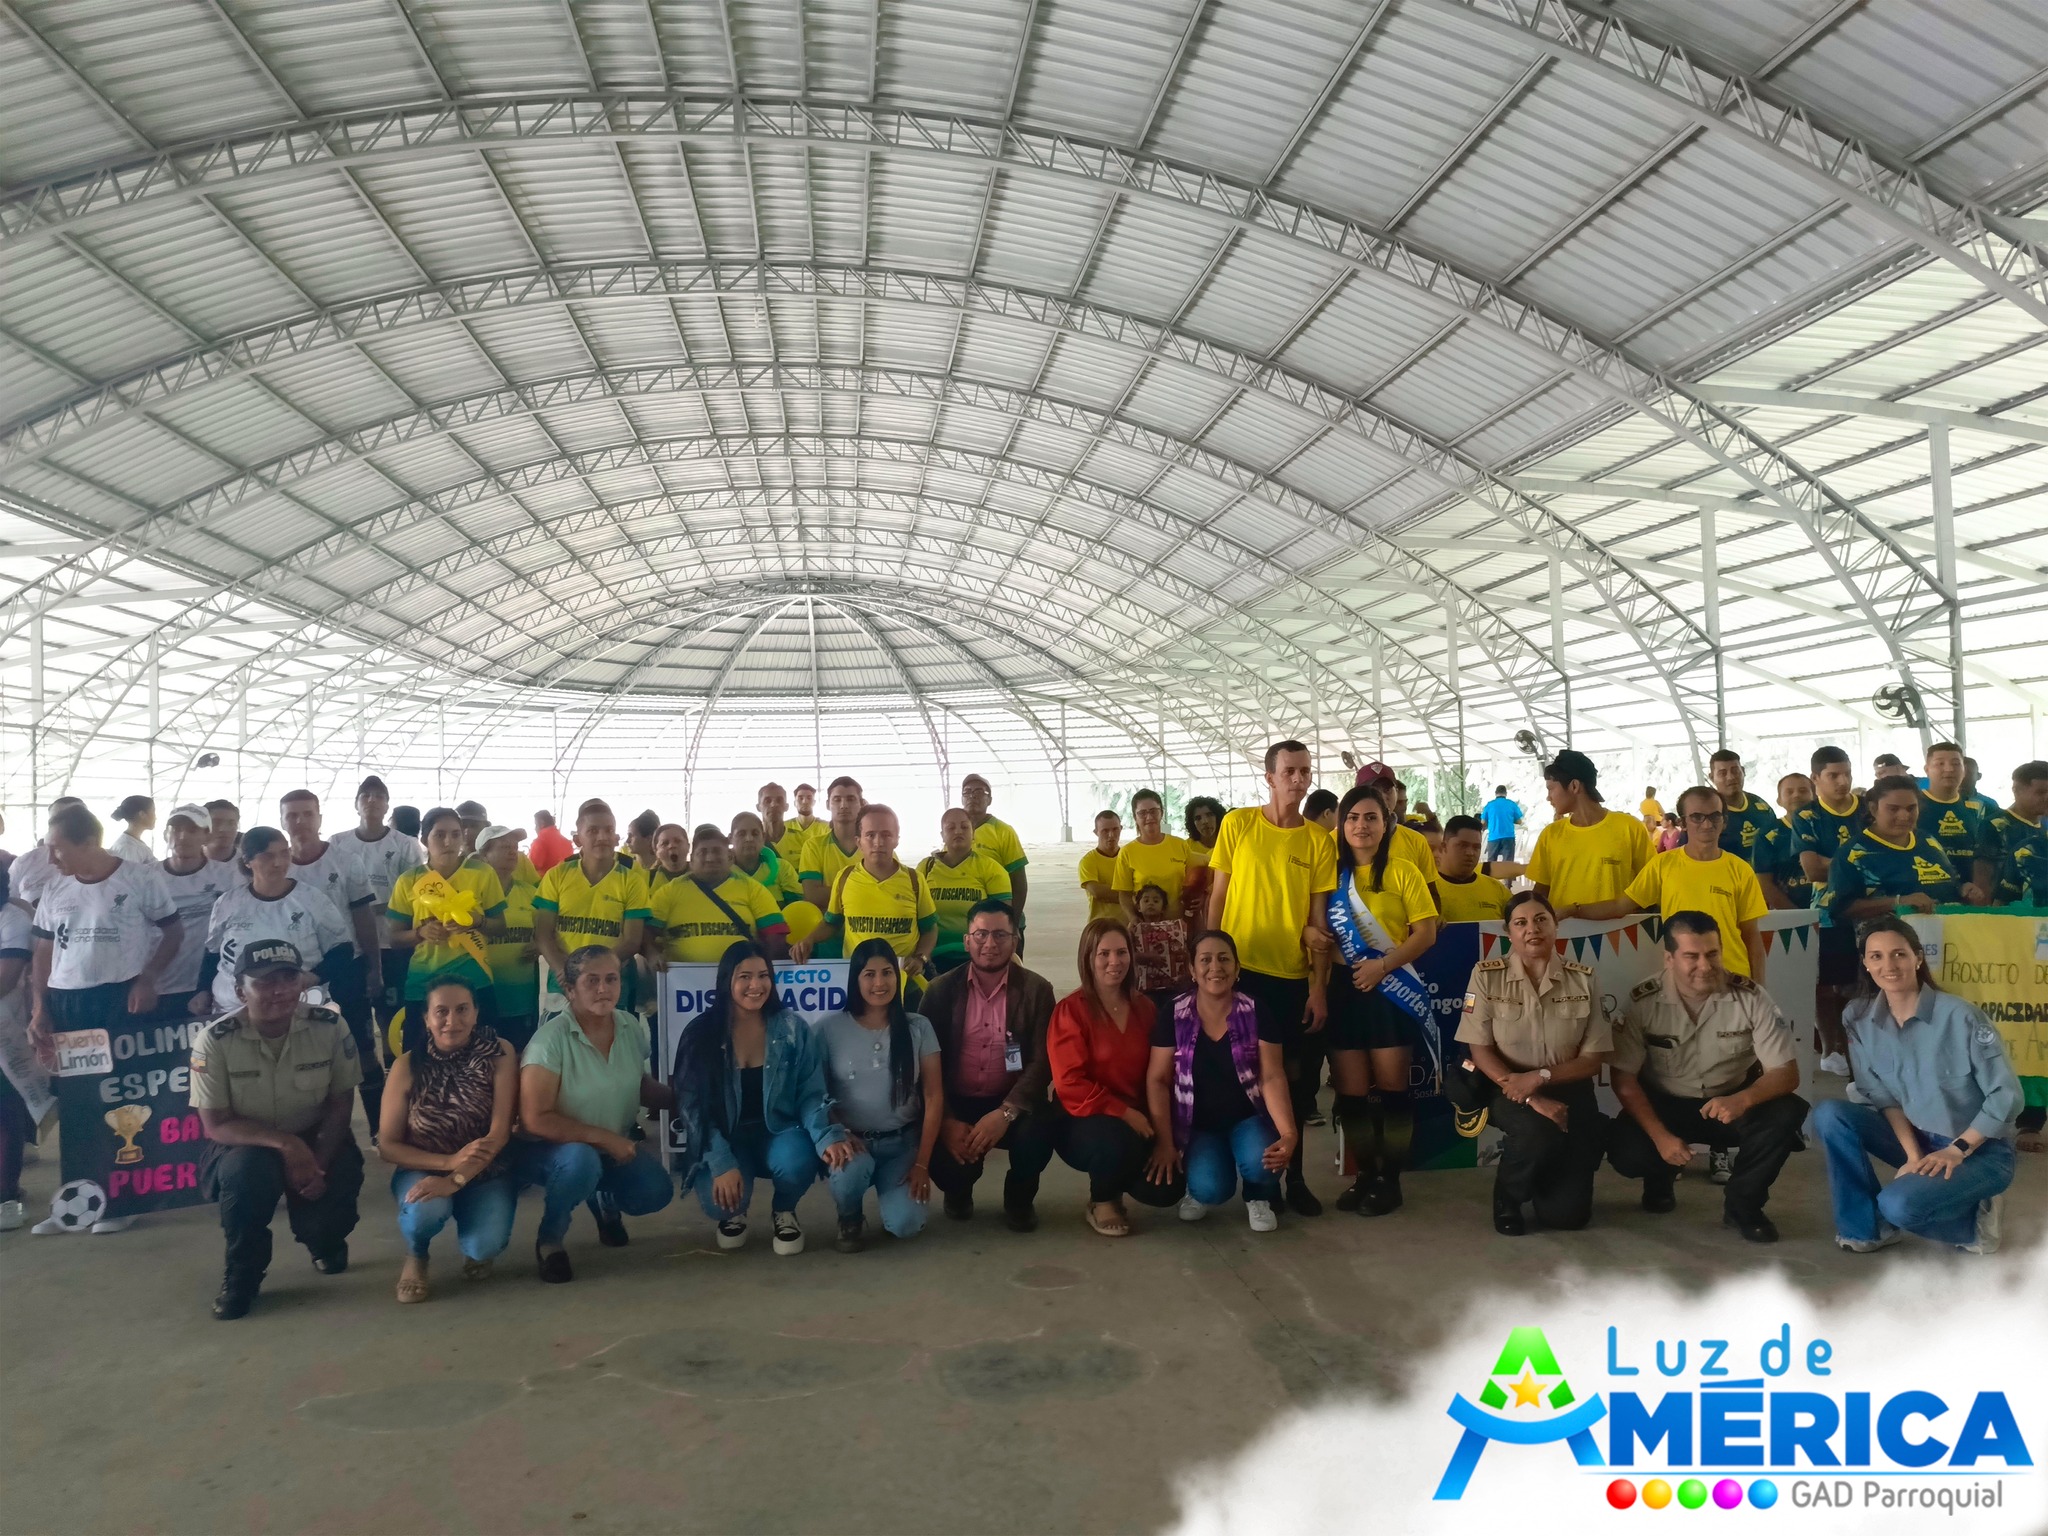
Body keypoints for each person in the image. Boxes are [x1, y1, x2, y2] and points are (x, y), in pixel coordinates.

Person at [1812, 918, 2018, 1254]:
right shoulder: (1858, 1018)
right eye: (1876, 956)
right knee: (1830, 1115)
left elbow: (2007, 1095)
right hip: (1918, 1137)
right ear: (1865, 964)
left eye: (1899, 954)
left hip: (1978, 1149)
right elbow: (1883, 1097)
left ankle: (1976, 1222)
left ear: (1918, 958)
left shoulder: (1961, 1016)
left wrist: (1957, 1149)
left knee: (1899, 1205)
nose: (1889, 965)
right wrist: (1912, 1156)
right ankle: (1867, 1229)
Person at [1606, 913, 1807, 1243]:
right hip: (1667, 1104)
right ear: (1669, 959)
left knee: (1785, 1113)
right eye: (1692, 956)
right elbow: (1624, 1078)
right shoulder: (1644, 1001)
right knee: (1627, 1152)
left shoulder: (1751, 997)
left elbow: (1786, 1073)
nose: (1705, 965)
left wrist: (1743, 1099)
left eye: (1712, 954)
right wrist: (1660, 1137)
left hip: (1730, 1101)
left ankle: (1743, 1206)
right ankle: (1660, 1177)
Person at [190, 940, 364, 1319]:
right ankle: (242, 1276)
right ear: (241, 992)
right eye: (265, 982)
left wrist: (317, 1163)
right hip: (247, 1143)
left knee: (330, 1210)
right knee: (244, 1175)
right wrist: (287, 1145)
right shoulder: (214, 1041)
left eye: (289, 978)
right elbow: (216, 1124)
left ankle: (325, 1242)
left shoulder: (330, 1026)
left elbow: (340, 1103)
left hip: (316, 1135)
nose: (280, 990)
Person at [1206, 740, 1337, 1215]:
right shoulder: (1237, 825)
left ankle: (1293, 1179)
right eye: (1289, 771)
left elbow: (1318, 925)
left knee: (1295, 1085)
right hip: (1238, 978)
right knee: (1241, 1080)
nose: (1299, 779)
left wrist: (1317, 988)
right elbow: (1218, 898)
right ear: (1269, 777)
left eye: (1305, 771)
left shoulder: (1319, 841)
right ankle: (1256, 1182)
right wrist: (1208, 963)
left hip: (1289, 980)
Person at [1446, 892, 1609, 1235]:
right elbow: (1480, 1050)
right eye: (1521, 923)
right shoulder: (1486, 975)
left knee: (1568, 1218)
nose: (1532, 929)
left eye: (1541, 920)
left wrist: (1541, 1077)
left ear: (1555, 926)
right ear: (1508, 932)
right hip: (1506, 1086)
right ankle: (1508, 1199)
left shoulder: (1584, 978)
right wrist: (1531, 1094)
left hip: (1570, 1087)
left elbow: (1593, 1060)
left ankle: (1546, 1178)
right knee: (1536, 1129)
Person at [673, 940, 850, 1255]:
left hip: (779, 1133)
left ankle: (784, 1210)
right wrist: (721, 1162)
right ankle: (735, 1210)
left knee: (798, 1160)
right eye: (745, 977)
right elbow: (692, 1108)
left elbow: (810, 1093)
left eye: (763, 975)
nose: (756, 985)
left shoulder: (793, 1029)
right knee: (720, 1204)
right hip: (724, 1137)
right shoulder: (700, 1034)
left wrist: (826, 1136)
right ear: (726, 981)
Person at [514, 946, 675, 1282]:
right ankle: (550, 1239)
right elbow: (535, 1118)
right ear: (570, 989)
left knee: (655, 1192)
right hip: (553, 1150)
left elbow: (637, 1083)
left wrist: (683, 1101)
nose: (603, 989)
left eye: (611, 979)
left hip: (609, 1145)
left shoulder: (629, 1026)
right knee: (581, 1162)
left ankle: (602, 1199)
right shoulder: (549, 1042)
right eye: (592, 981)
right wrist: (605, 1139)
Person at [1318, 784, 1438, 1215]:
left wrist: (1383, 966)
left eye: (1371, 817)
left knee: (1392, 1090)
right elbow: (1313, 927)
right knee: (1350, 1093)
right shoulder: (1327, 875)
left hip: (1390, 988)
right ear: (1340, 824)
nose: (1361, 825)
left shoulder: (1403, 871)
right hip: (1343, 988)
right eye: (1352, 817)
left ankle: (1390, 1181)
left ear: (1387, 823)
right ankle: (1365, 1175)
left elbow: (1426, 932)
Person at [27, 806, 184, 1111]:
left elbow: (174, 933)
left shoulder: (140, 878)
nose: (50, 860)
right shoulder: (55, 886)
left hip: (121, 998)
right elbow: (44, 951)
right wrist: (39, 1007)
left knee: (126, 1087)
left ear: (88, 843)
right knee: (77, 1091)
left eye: (57, 849)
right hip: (67, 1001)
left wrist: (148, 980)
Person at [1142, 930, 1295, 1232]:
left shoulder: (1256, 1011)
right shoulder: (1174, 1013)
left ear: (1237, 968)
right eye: (1206, 960)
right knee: (1210, 1189)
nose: (1216, 967)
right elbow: (1157, 1079)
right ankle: (1197, 1189)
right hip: (1197, 1125)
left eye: (1224, 959)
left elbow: (1272, 1076)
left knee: (1262, 1162)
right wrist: (1165, 1141)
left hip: (1248, 1118)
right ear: (1192, 969)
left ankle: (1258, 1195)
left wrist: (1288, 1134)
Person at [376, 978, 518, 1301]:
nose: (452, 1021)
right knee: (423, 1213)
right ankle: (416, 1254)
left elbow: (498, 1134)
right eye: (441, 1011)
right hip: (423, 1166)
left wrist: (456, 1179)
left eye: (462, 1010)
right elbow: (388, 1146)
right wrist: (447, 1164)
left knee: (485, 1246)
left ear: (476, 1013)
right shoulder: (406, 1066)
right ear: (426, 1018)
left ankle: (474, 1234)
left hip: (487, 1170)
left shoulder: (499, 1053)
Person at [921, 900, 1058, 1229]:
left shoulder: (1037, 990)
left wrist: (1006, 1112)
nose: (990, 944)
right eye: (981, 934)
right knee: (950, 1167)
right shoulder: (940, 992)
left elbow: (1043, 1062)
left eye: (1000, 935)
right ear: (966, 940)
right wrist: (946, 1120)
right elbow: (923, 1063)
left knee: (1039, 1132)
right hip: (956, 1102)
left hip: (1012, 1099)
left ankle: (1020, 1199)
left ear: (1015, 940)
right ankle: (958, 1192)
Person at [814, 940, 944, 1251]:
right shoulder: (827, 1029)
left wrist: (922, 1164)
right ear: (855, 979)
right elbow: (817, 1093)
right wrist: (839, 1132)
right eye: (869, 974)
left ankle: (893, 1206)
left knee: (906, 1224)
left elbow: (934, 1096)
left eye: (887, 972)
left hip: (902, 1144)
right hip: (853, 1143)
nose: (879, 983)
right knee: (849, 1176)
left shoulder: (918, 1027)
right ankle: (849, 1215)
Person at [1048, 919, 1172, 1236]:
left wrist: (1163, 1136)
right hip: (1082, 1118)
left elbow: (1160, 1074)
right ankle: (1103, 1200)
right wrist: (1124, 1113)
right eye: (1104, 954)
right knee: (1117, 1141)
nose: (1114, 962)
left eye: (1121, 952)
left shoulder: (1145, 1008)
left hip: (1137, 1117)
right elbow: (1069, 1083)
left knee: (1167, 1189)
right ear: (1088, 958)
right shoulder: (1070, 1011)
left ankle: (1118, 1172)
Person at [1579, 785, 1768, 982]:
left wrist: (1759, 989)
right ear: (1683, 823)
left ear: (1724, 821)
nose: (1706, 824)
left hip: (1733, 979)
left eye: (1714, 816)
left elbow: (1752, 936)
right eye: (1697, 817)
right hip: (1684, 982)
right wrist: (1573, 909)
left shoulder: (1740, 870)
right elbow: (1620, 906)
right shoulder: (1662, 865)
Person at [198, 827, 354, 1027]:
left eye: (284, 853)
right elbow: (213, 952)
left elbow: (342, 950)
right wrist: (202, 990)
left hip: (297, 1006)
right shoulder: (227, 902)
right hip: (232, 1010)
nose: (278, 862)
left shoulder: (313, 899)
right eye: (267, 856)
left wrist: (310, 977)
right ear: (247, 861)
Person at [280, 790, 383, 1090]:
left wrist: (374, 968)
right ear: (283, 822)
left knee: (362, 1050)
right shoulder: (276, 866)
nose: (300, 821)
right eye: (292, 815)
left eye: (307, 814)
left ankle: (378, 1117)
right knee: (306, 1055)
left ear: (320, 818)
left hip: (345, 969)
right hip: (296, 976)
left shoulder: (345, 861)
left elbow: (363, 917)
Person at [387, 807, 507, 1053]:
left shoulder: (482, 874)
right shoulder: (409, 881)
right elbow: (394, 938)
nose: (448, 842)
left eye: (455, 834)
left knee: (483, 1058)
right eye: (439, 835)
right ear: (424, 840)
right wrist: (420, 933)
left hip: (474, 979)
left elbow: (500, 927)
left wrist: (476, 921)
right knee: (420, 1059)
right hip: (424, 982)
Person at [795, 806, 936, 988]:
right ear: (859, 842)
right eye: (870, 835)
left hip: (905, 984)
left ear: (896, 840)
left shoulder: (914, 879)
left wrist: (920, 958)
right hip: (858, 983)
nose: (878, 842)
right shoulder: (845, 878)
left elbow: (930, 929)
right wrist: (809, 939)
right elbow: (831, 923)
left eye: (886, 835)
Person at [331, 776, 424, 1034]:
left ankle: (396, 1056)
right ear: (356, 804)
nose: (372, 800)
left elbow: (415, 895)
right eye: (365, 795)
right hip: (353, 945)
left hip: (392, 942)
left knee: (393, 1014)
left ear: (387, 807)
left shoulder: (405, 845)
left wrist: (369, 909)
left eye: (379, 796)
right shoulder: (337, 843)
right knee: (354, 1014)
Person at [533, 799, 650, 999]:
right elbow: (543, 933)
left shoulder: (632, 880)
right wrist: (563, 969)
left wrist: (594, 972)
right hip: (563, 982)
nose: (602, 837)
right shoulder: (557, 875)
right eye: (593, 831)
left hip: (611, 984)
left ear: (616, 837)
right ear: (578, 839)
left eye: (608, 830)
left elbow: (632, 941)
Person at [1793, 745, 1862, 1074]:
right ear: (1816, 778)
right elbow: (1812, 869)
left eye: (1846, 774)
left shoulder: (1868, 809)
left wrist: (1833, 863)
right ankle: (1831, 1048)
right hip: (1828, 913)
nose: (1842, 781)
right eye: (1833, 775)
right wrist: (1862, 864)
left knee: (1862, 987)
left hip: (1873, 912)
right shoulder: (1807, 816)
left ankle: (1859, 1051)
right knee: (1828, 986)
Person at [1525, 750, 1654, 917]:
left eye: (1551, 789)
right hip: (1564, 932)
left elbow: (1649, 886)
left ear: (1574, 786)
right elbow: (1541, 891)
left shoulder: (1629, 828)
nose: (1548, 797)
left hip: (1620, 931)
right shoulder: (1550, 834)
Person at [1822, 778, 1963, 924]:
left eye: (1911, 808)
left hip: (1947, 931)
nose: (1904, 816)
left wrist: (1964, 889)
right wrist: (1898, 902)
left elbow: (1951, 882)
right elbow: (1840, 908)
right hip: (1885, 935)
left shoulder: (1928, 841)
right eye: (1893, 809)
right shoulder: (1853, 853)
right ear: (1873, 809)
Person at [649, 824, 790, 962]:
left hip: (742, 975)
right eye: (703, 852)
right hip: (680, 976)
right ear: (691, 859)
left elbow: (775, 936)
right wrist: (653, 954)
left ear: (730, 857)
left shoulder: (753, 889)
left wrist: (760, 966)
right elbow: (647, 933)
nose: (710, 858)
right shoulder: (669, 892)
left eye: (717, 851)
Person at [153, 804, 229, 1022]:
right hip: (156, 988)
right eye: (175, 829)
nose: (182, 836)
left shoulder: (227, 876)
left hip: (206, 987)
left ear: (207, 836)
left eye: (192, 830)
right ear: (165, 834)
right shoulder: (146, 878)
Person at [917, 809, 1013, 974]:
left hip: (977, 956)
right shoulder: (926, 868)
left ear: (973, 833)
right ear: (942, 835)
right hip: (933, 956)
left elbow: (1003, 921)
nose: (958, 831)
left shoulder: (991, 869)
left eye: (964, 827)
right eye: (951, 828)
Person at [475, 826, 540, 1049]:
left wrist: (539, 945)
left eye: (515, 847)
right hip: (482, 996)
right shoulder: (472, 894)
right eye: (504, 847)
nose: (513, 852)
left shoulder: (530, 893)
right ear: (484, 855)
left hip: (521, 998)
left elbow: (547, 932)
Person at [0, 868, 38, 1233]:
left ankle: (5, 1199)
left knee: (5, 1113)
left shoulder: (13, 920)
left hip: (5, 1033)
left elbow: (6, 978)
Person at [1702, 751, 1791, 907]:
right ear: (1711, 777)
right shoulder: (1707, 814)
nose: (1731, 777)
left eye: (1735, 771)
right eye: (1722, 773)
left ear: (1743, 771)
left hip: (1765, 894)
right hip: (1723, 895)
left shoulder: (1760, 806)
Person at [1917, 741, 1996, 902]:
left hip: (1968, 896)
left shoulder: (1979, 808)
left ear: (1963, 770)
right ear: (1927, 769)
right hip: (1923, 897)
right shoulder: (1913, 806)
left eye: (1955, 764)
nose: (1949, 769)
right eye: (1940, 763)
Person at [1112, 788, 1195, 924]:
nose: (1149, 817)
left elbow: (1193, 882)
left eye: (1153, 811)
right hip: (1144, 927)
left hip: (1179, 925)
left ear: (1161, 812)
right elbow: (1124, 895)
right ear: (1135, 817)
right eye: (1142, 813)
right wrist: (1132, 917)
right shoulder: (1127, 852)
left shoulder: (1180, 845)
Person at [961, 774, 1030, 932]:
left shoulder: (1003, 831)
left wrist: (1012, 922)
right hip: (969, 924)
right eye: (967, 792)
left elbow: (1019, 882)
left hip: (999, 920)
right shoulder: (956, 832)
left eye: (979, 792)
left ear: (989, 800)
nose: (972, 796)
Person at [796, 777, 864, 933]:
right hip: (826, 937)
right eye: (837, 799)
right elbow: (813, 895)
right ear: (828, 804)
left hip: (864, 934)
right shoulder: (813, 846)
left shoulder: (874, 846)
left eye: (850, 799)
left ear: (861, 803)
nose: (843, 805)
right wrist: (864, 890)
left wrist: (831, 892)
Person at [1989, 760, 2047, 905]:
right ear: (2016, 790)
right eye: (2041, 792)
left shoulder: (2042, 826)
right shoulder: (1998, 827)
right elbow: (1998, 903)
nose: (2046, 798)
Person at [1435, 815, 1511, 923]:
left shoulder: (1497, 890)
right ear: (1443, 847)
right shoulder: (1425, 889)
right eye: (1462, 845)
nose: (1470, 853)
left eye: (1476, 847)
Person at [1128, 884, 1191, 1009]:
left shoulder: (1176, 928)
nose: (1151, 903)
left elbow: (1186, 951)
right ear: (1138, 907)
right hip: (1145, 989)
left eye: (1156, 901)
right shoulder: (1132, 929)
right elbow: (1127, 955)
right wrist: (1144, 957)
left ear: (1163, 908)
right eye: (1146, 900)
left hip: (1173, 988)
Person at [730, 811, 796, 905]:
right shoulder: (722, 872)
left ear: (763, 837)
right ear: (730, 838)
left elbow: (798, 906)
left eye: (755, 834)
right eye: (741, 834)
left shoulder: (782, 867)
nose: (749, 839)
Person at [1181, 795, 1226, 930]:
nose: (1205, 821)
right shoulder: (1186, 847)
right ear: (1192, 823)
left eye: (1209, 815)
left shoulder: (1228, 844)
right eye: (1198, 818)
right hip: (1193, 916)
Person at [1077, 810, 1124, 925]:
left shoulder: (1129, 857)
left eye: (1115, 829)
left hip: (1129, 926)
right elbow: (1098, 893)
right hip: (1100, 926)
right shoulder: (1088, 861)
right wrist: (1132, 896)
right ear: (1096, 832)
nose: (1111, 835)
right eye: (1105, 831)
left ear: (1121, 829)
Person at [757, 783, 808, 877]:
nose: (773, 804)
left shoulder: (804, 841)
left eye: (779, 800)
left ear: (786, 806)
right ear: (758, 807)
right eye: (767, 801)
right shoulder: (753, 842)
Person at [1480, 785, 1522, 864]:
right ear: (1506, 793)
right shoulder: (1512, 804)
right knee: (1508, 863)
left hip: (1493, 837)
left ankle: (1491, 872)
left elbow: (1483, 822)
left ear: (1495, 793)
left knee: (1491, 864)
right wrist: (1509, 819)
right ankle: (1507, 872)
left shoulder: (1489, 805)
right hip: (1508, 837)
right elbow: (1519, 821)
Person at [108, 795, 154, 862]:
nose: (155, 817)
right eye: (153, 812)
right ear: (142, 814)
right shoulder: (128, 847)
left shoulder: (133, 843)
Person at [528, 810, 573, 875]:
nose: (535, 828)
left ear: (542, 824)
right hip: (566, 878)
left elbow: (532, 867)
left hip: (546, 880)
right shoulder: (567, 842)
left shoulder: (540, 841)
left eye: (536, 825)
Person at [204, 799, 241, 865]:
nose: (224, 829)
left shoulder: (250, 864)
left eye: (231, 823)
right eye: (216, 823)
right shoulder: (187, 863)